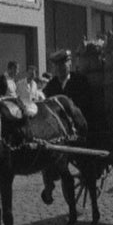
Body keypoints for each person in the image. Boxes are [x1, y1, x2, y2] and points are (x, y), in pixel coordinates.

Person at [41, 49, 91, 204]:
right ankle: (49, 185)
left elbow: (86, 106)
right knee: (46, 154)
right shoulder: (50, 86)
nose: (61, 69)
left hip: (78, 130)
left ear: (70, 64)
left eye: (64, 65)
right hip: (59, 134)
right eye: (57, 67)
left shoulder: (80, 81)